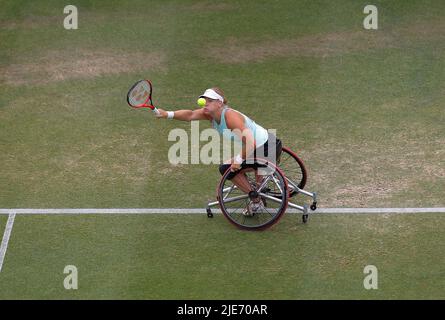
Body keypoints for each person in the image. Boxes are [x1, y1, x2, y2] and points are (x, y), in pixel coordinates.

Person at [155, 87, 282, 215]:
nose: (205, 103)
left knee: (226, 169)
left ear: (219, 103)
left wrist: (238, 160)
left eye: (210, 100)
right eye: (205, 100)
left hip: (267, 150)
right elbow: (190, 115)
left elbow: (251, 142)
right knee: (234, 163)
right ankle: (261, 183)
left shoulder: (230, 117)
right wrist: (167, 114)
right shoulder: (209, 114)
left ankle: (256, 200)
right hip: (269, 143)